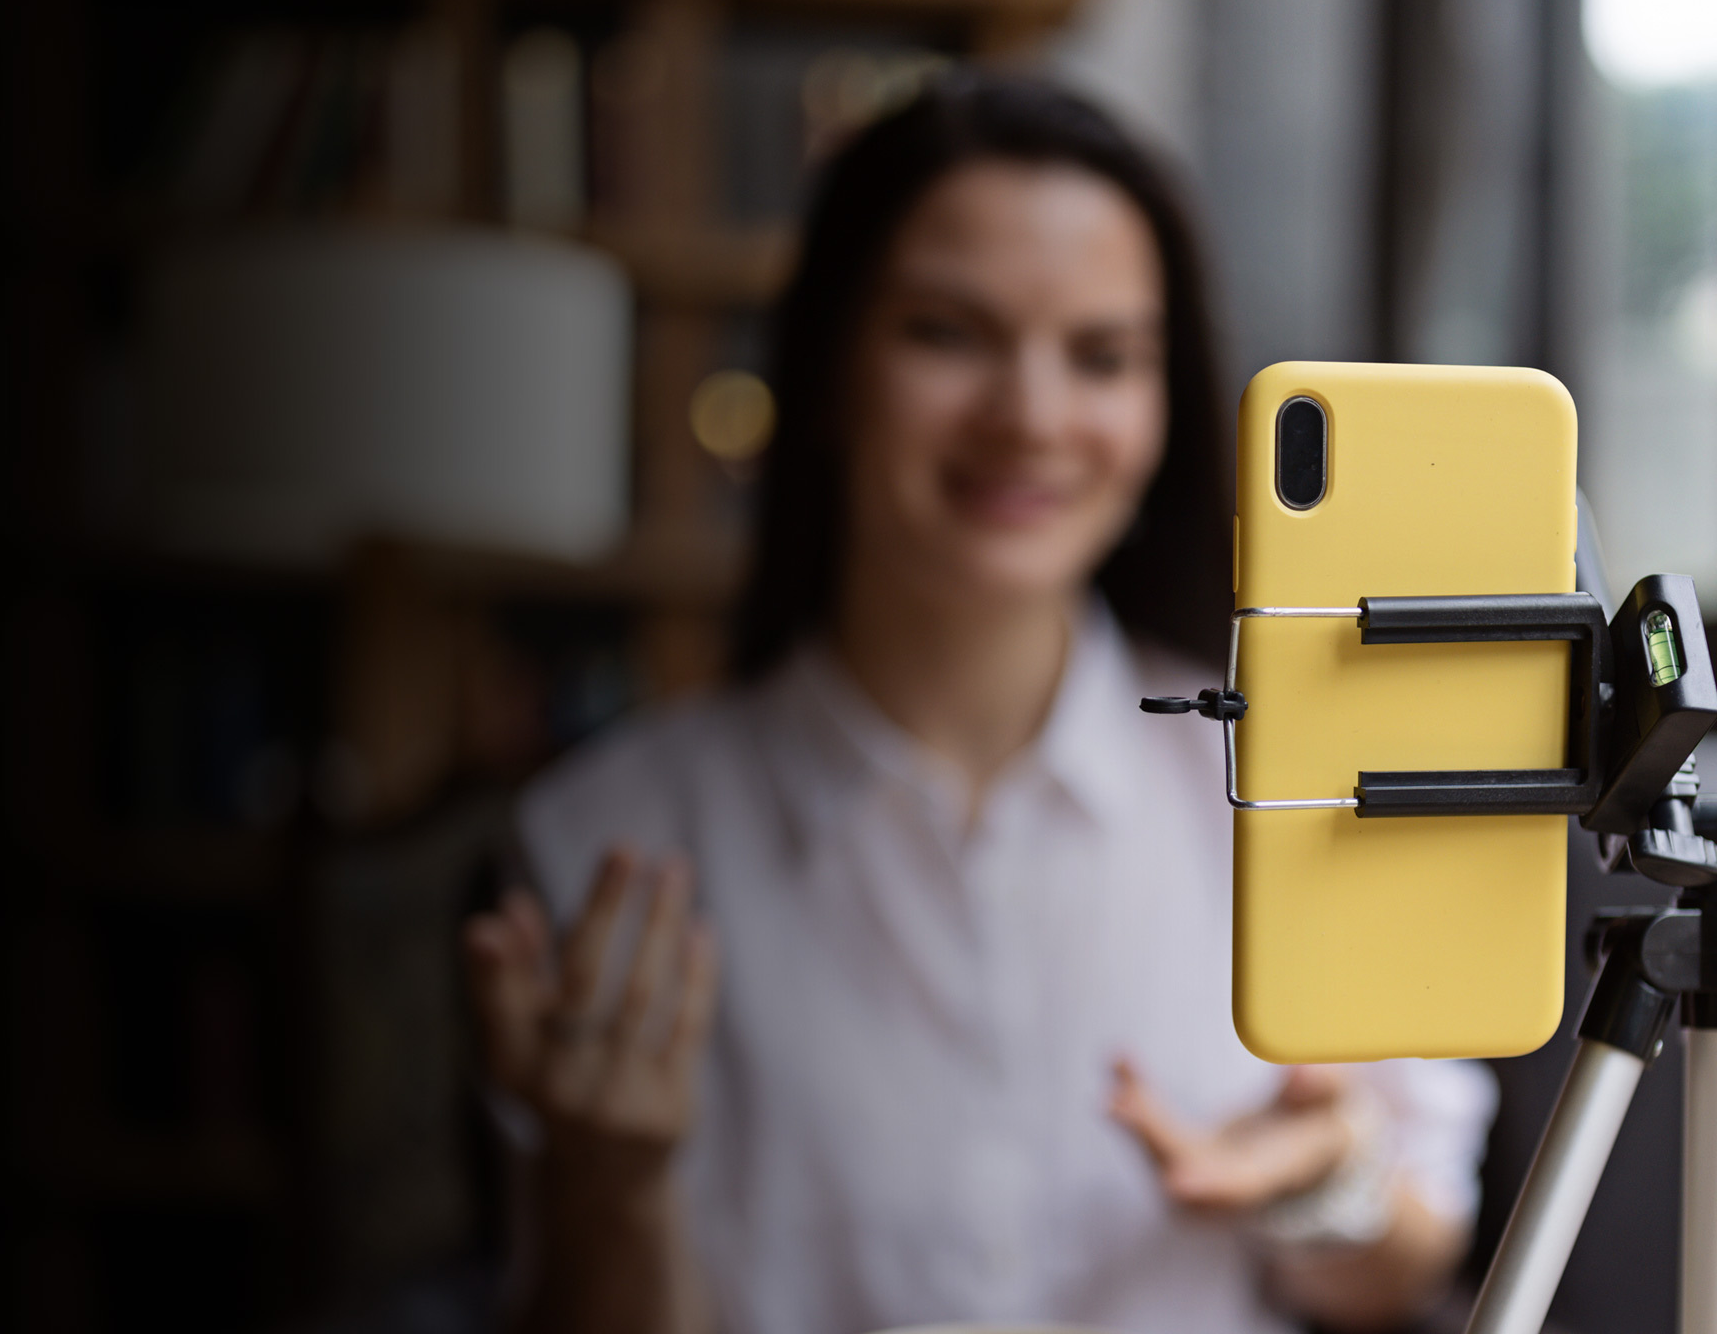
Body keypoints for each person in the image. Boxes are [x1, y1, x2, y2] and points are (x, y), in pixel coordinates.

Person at [461, 74, 1493, 1334]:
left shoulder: (1301, 786)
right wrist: (610, 1188)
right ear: (832, 362)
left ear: (1165, 406)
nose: (1032, 418)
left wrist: (1324, 1187)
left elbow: (1417, 1255)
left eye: (1104, 356)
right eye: (948, 333)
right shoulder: (610, 842)